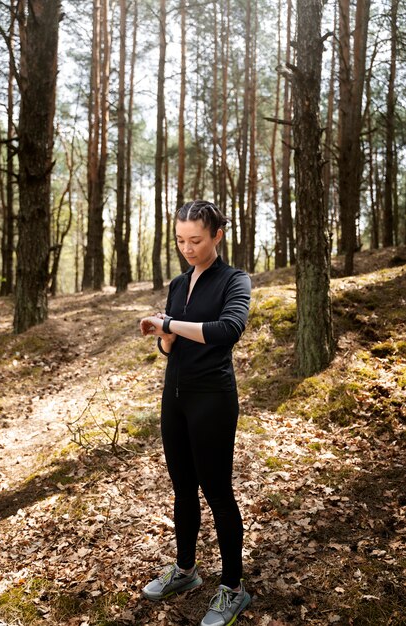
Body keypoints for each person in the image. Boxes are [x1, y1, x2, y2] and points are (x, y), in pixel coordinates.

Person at [139, 200, 251, 626]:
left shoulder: (234, 280)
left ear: (217, 236)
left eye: (196, 240)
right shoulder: (177, 282)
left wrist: (169, 325)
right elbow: (169, 346)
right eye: (181, 240)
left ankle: (233, 589)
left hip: (213, 398)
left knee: (218, 493)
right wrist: (161, 334)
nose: (187, 248)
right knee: (182, 488)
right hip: (176, 396)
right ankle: (185, 571)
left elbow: (227, 331)